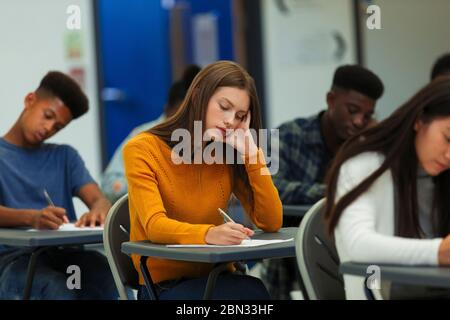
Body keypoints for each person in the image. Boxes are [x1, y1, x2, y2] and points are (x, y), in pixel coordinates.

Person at [123, 60, 282, 300]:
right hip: (165, 288)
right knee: (250, 294)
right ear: (198, 97)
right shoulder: (142, 149)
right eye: (224, 107)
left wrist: (252, 154)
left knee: (252, 292)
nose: (230, 121)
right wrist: (209, 234)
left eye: (240, 116)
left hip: (219, 278)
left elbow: (271, 221)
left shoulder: (226, 152)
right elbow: (155, 226)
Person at [261, 65, 384, 299]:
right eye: (352, 110)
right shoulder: (289, 135)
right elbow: (271, 188)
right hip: (290, 257)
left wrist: (378, 145)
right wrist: (333, 192)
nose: (359, 121)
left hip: (354, 249)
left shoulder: (366, 144)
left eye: (367, 116)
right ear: (331, 99)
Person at [324, 75, 450, 299]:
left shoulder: (441, 174)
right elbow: (358, 244)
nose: (449, 155)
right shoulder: (366, 164)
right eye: (447, 138)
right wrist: (438, 252)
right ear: (420, 119)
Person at [0, 71, 117, 299]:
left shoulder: (65, 157)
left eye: (57, 126)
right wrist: (33, 218)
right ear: (29, 100)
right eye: (47, 115)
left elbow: (97, 198)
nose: (48, 127)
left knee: (107, 276)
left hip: (66, 258)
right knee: (55, 288)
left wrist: (100, 210)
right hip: (12, 261)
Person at [101, 65, 201, 203]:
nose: (185, 124)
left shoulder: (205, 136)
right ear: (167, 110)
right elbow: (110, 186)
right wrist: (147, 184)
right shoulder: (143, 136)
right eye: (180, 117)